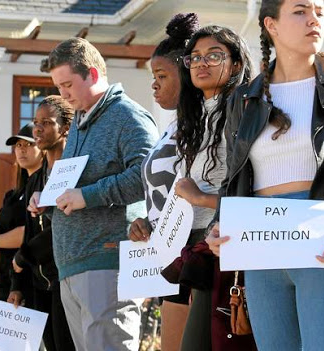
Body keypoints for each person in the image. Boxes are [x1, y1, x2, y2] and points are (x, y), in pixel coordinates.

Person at [206, 1, 324, 350]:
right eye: (300, 11)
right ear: (271, 25)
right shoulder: (245, 98)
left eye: (320, 12)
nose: (314, 20)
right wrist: (220, 224)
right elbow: (234, 179)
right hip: (261, 249)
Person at [29, 38, 158, 351]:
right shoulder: (80, 122)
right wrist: (47, 201)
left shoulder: (128, 116)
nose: (63, 95)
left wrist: (86, 196)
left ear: (93, 74)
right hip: (72, 264)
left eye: (68, 85)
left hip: (107, 260)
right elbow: (74, 183)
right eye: (59, 87)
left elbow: (147, 175)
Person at [168, 25, 255, 350]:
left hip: (227, 245)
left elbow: (254, 188)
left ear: (235, 64)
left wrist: (199, 197)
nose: (202, 63)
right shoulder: (192, 117)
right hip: (195, 248)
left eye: (214, 55)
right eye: (195, 57)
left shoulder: (246, 113)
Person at [127, 13, 199, 351]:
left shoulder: (202, 128)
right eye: (152, 76)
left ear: (185, 75)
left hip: (192, 256)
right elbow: (162, 193)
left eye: (161, 75)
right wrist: (144, 221)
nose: (154, 85)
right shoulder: (170, 127)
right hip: (163, 259)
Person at [9, 96, 75, 351]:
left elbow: (63, 226)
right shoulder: (35, 180)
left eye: (46, 122)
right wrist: (18, 285)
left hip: (65, 277)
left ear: (65, 128)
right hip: (39, 283)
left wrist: (23, 256)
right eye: (36, 122)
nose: (37, 128)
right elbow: (29, 231)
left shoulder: (73, 172)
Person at [0, 122, 43, 302]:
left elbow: (29, 233)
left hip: (32, 280)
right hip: (4, 281)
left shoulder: (45, 188)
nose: (22, 150)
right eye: (18, 145)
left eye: (29, 144)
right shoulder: (12, 195)